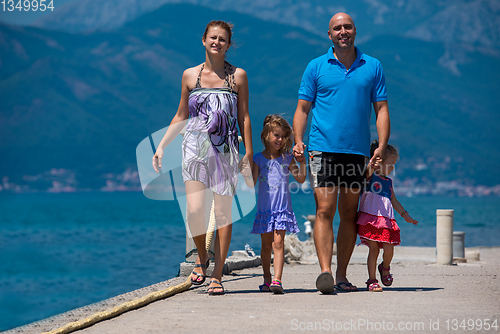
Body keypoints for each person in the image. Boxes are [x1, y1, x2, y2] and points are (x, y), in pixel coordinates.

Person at [152, 20, 253, 296]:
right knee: (195, 211)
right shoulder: (189, 76)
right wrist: (162, 145)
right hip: (194, 150)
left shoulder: (238, 77)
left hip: (226, 152)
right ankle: (202, 256)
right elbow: (181, 115)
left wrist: (249, 154)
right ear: (203, 40)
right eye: (212, 37)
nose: (217, 42)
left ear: (229, 45)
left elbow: (244, 116)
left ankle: (217, 274)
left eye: (222, 39)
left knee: (222, 215)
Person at [292, 12, 390, 294]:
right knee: (324, 210)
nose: (343, 31)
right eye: (337, 28)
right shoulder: (316, 66)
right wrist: (299, 140)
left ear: (355, 31)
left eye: (347, 27)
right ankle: (325, 272)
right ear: (329, 34)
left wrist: (381, 146)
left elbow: (381, 110)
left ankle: (342, 275)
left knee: (349, 214)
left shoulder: (372, 66)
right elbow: (302, 108)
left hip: (357, 152)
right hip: (322, 148)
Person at [241, 115, 307, 294]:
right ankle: (267, 278)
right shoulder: (258, 159)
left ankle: (277, 280)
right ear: (266, 135)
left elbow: (301, 179)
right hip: (265, 210)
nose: (280, 139)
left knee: (278, 243)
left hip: (282, 209)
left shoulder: (287, 158)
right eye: (276, 135)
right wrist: (245, 170)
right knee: (265, 246)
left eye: (283, 136)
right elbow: (251, 183)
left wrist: (302, 163)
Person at [358, 141, 418, 291]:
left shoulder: (389, 183)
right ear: (379, 163)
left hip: (386, 221)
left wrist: (405, 215)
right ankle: (372, 280)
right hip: (370, 219)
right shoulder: (370, 177)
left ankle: (384, 267)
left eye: (394, 164)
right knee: (373, 250)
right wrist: (373, 162)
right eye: (390, 164)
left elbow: (394, 201)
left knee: (389, 248)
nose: (393, 167)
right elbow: (367, 171)